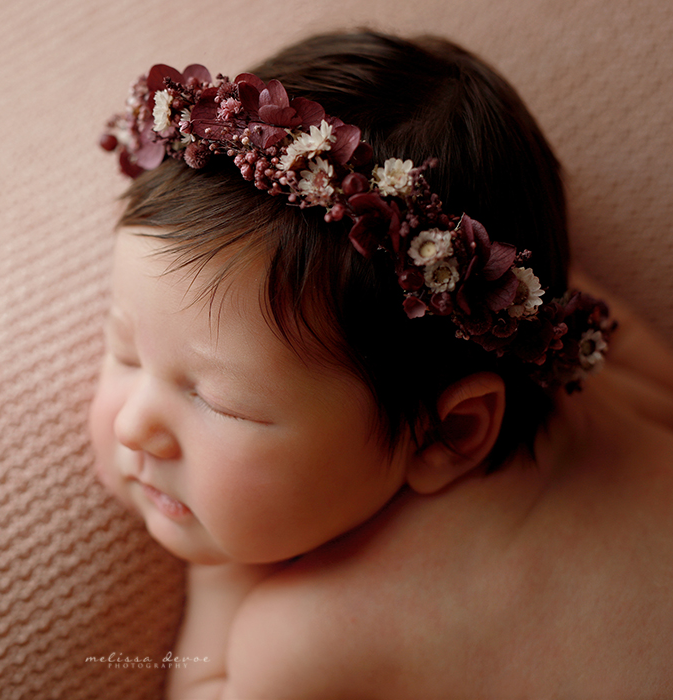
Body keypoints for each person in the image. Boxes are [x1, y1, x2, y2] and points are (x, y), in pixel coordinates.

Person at [91, 30, 673, 698]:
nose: (135, 426)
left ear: (447, 433)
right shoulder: (610, 392)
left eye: (221, 403)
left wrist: (219, 575)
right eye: (125, 351)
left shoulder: (310, 640)